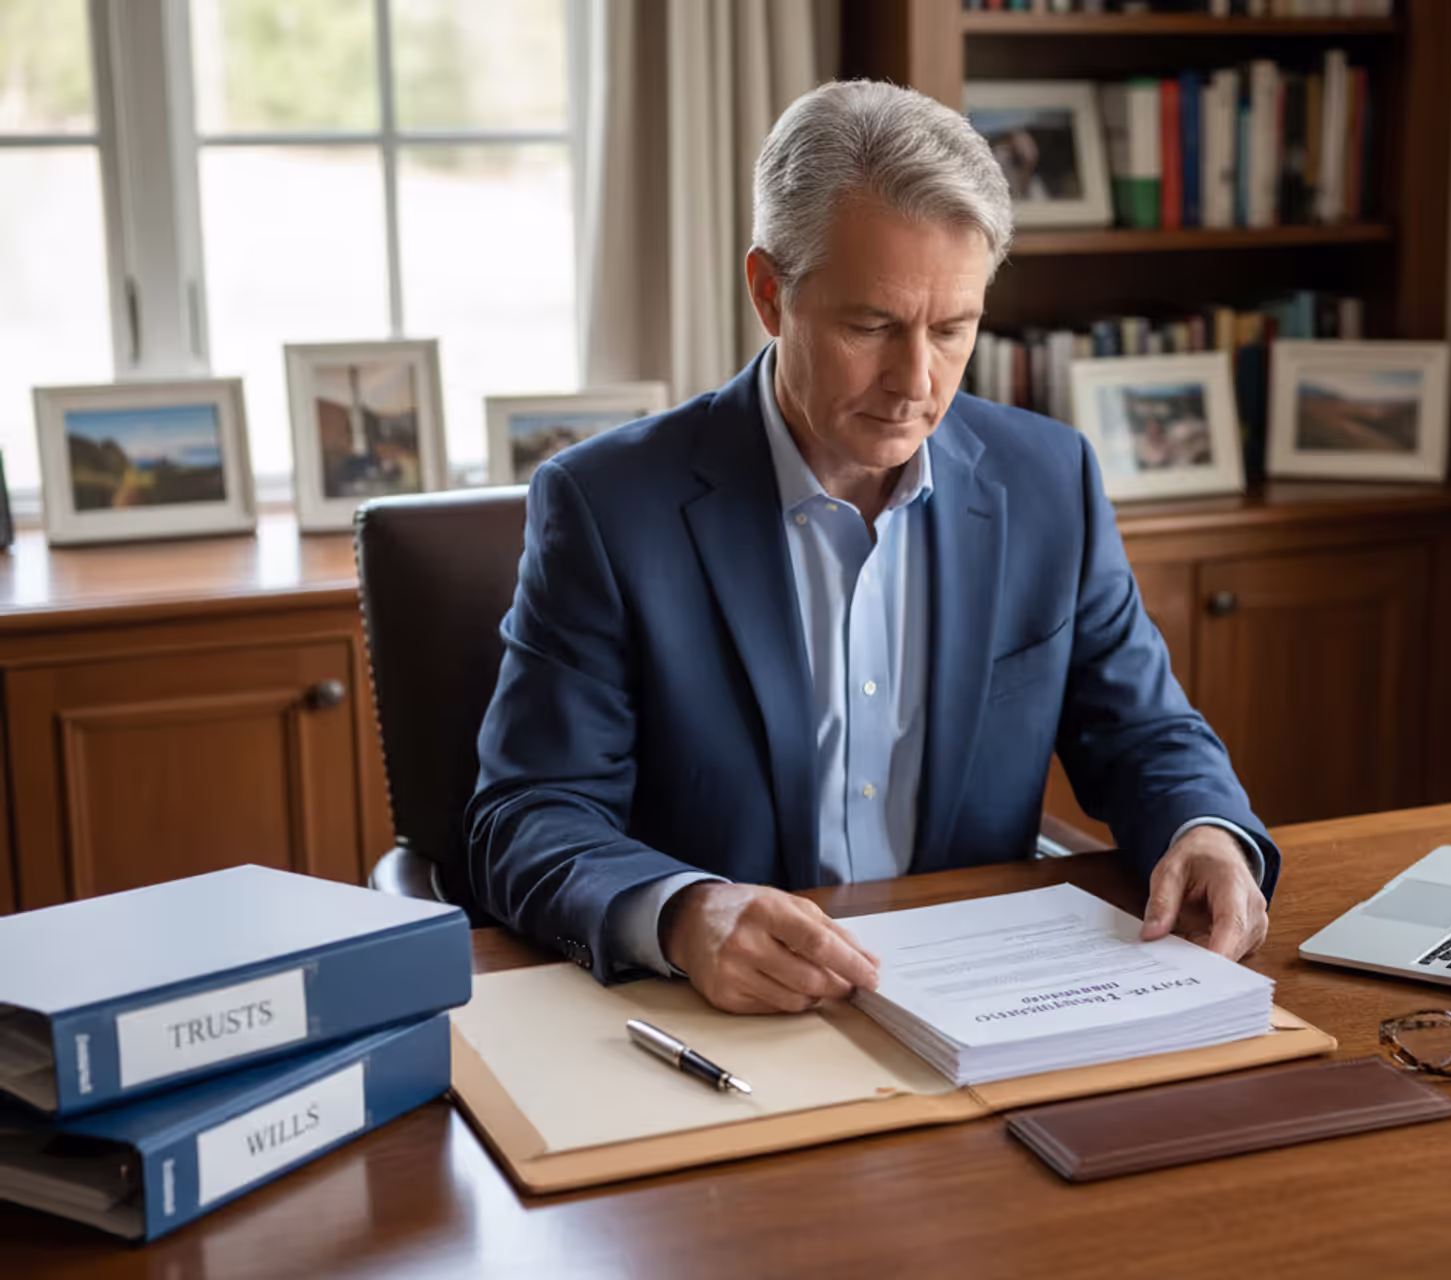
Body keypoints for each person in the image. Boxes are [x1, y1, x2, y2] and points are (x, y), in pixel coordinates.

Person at [467, 80, 1279, 1016]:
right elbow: (527, 817)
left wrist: (1208, 831)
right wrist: (686, 916)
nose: (915, 382)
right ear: (771, 294)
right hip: (720, 1016)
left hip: (981, 999)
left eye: (953, 329)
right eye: (871, 326)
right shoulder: (609, 507)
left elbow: (1144, 734)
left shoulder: (1048, 481)